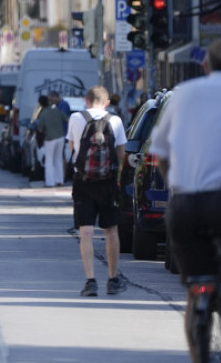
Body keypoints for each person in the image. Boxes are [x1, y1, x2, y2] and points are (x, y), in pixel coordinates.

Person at [149, 37, 221, 362]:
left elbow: (159, 151)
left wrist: (176, 186)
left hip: (185, 206)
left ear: (205, 66)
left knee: (196, 287)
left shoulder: (183, 95)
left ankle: (198, 352)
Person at [66, 85, 127, 297]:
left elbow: (73, 149)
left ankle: (90, 281)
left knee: (86, 231)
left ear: (86, 100)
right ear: (107, 102)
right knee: (111, 231)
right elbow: (121, 154)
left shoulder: (75, 118)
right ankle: (112, 279)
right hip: (108, 182)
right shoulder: (116, 120)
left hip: (83, 182)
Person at [37, 95, 67, 187]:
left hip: (50, 139)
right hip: (61, 137)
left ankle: (50, 182)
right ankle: (60, 180)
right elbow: (66, 119)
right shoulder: (56, 110)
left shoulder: (43, 113)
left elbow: (40, 129)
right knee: (58, 159)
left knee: (49, 160)